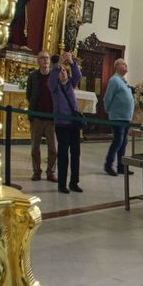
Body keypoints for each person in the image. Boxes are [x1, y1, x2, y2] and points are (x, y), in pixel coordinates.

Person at [50, 51, 86, 194]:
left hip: (74, 124)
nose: (63, 73)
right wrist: (59, 65)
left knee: (75, 153)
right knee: (63, 154)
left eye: (65, 71)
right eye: (61, 72)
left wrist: (70, 61)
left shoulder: (71, 84)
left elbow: (78, 75)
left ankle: (74, 182)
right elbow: (52, 77)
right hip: (62, 124)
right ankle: (62, 184)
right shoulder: (54, 87)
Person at [24, 50, 60, 181]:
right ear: (38, 61)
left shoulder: (54, 76)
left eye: (47, 58)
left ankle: (51, 172)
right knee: (35, 147)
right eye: (42, 58)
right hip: (37, 117)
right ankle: (36, 171)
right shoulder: (33, 76)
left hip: (51, 118)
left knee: (53, 149)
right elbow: (29, 94)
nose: (45, 60)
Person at [103, 60, 134, 177]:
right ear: (116, 66)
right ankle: (108, 165)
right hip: (117, 117)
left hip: (125, 117)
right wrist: (108, 110)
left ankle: (121, 166)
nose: (126, 65)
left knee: (124, 142)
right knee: (118, 141)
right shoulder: (114, 80)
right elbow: (107, 97)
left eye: (126, 64)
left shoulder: (123, 81)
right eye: (123, 64)